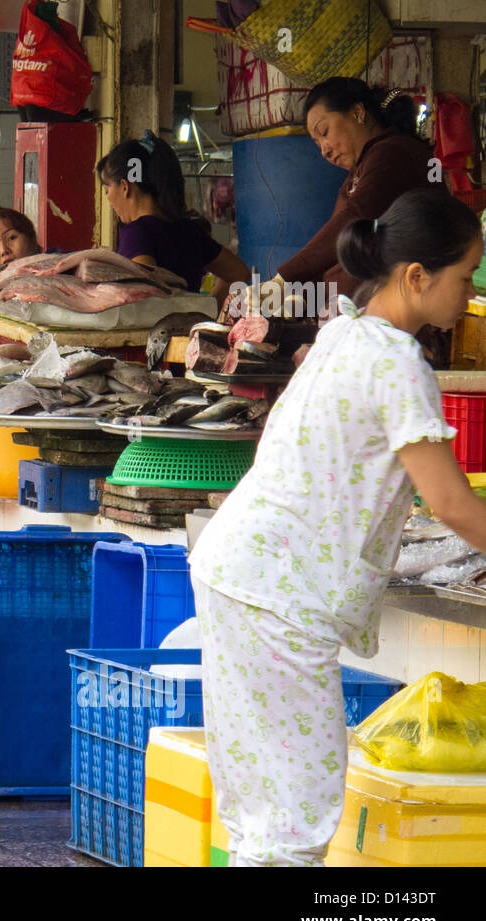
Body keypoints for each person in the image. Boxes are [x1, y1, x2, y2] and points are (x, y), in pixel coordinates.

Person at [189, 188, 486, 866]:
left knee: (262, 812)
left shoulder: (346, 328)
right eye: (466, 276)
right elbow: (452, 504)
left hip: (242, 575)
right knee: (295, 812)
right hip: (278, 596)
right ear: (418, 276)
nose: (468, 294)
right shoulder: (399, 362)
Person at [265, 79, 434, 307]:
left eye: (324, 133)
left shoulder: (393, 153)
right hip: (354, 316)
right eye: (317, 143)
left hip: (387, 322)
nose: (324, 150)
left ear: (357, 112)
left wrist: (284, 278)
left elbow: (356, 217)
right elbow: (338, 250)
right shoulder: (363, 168)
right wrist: (302, 295)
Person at [97, 130, 250, 301]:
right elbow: (239, 273)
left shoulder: (137, 233)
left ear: (125, 187)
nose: (109, 201)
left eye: (107, 191)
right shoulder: (189, 229)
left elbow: (142, 299)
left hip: (154, 328)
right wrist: (206, 311)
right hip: (191, 327)